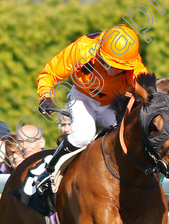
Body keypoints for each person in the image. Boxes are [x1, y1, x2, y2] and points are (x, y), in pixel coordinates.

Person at [35, 24, 148, 194]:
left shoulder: (134, 64)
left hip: (111, 103)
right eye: (112, 64)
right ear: (101, 52)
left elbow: (147, 90)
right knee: (83, 136)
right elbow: (50, 73)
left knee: (125, 138)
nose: (117, 69)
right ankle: (49, 170)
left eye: (122, 67)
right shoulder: (82, 49)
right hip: (82, 97)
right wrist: (45, 95)